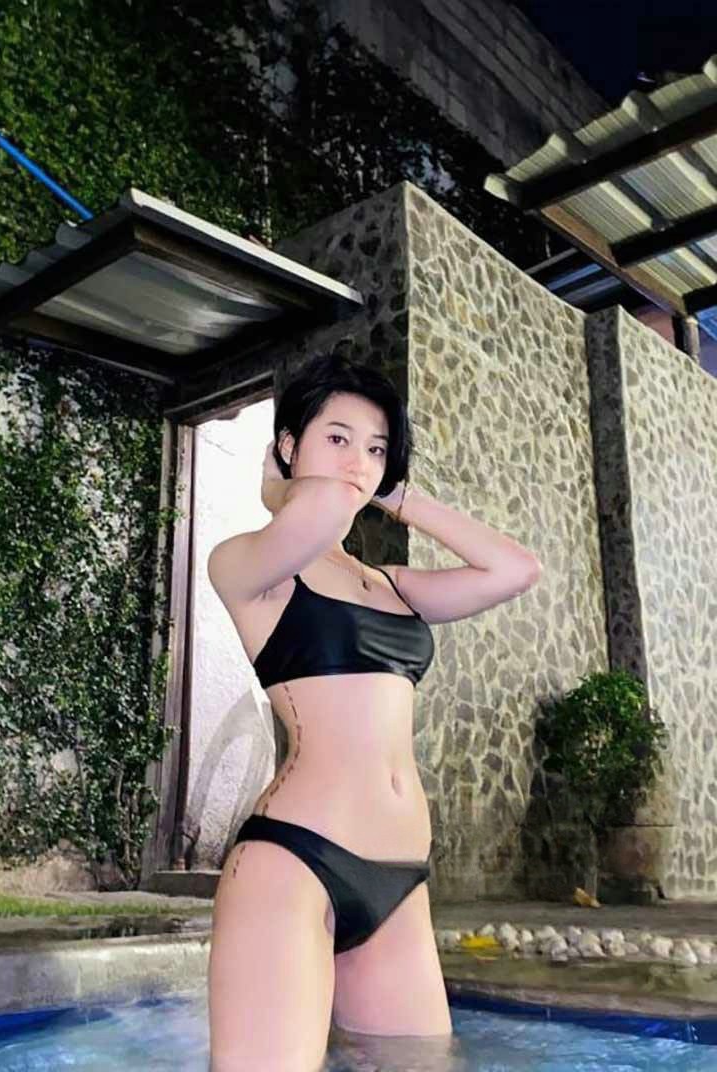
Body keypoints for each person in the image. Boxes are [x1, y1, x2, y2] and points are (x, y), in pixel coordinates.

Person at [206, 352, 542, 1071]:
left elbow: (515, 570)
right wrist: (281, 490)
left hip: (399, 878)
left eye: (376, 448)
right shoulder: (248, 563)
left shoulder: (390, 583)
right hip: (294, 860)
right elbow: (325, 509)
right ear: (288, 444)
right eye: (337, 438)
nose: (358, 462)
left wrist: (397, 494)